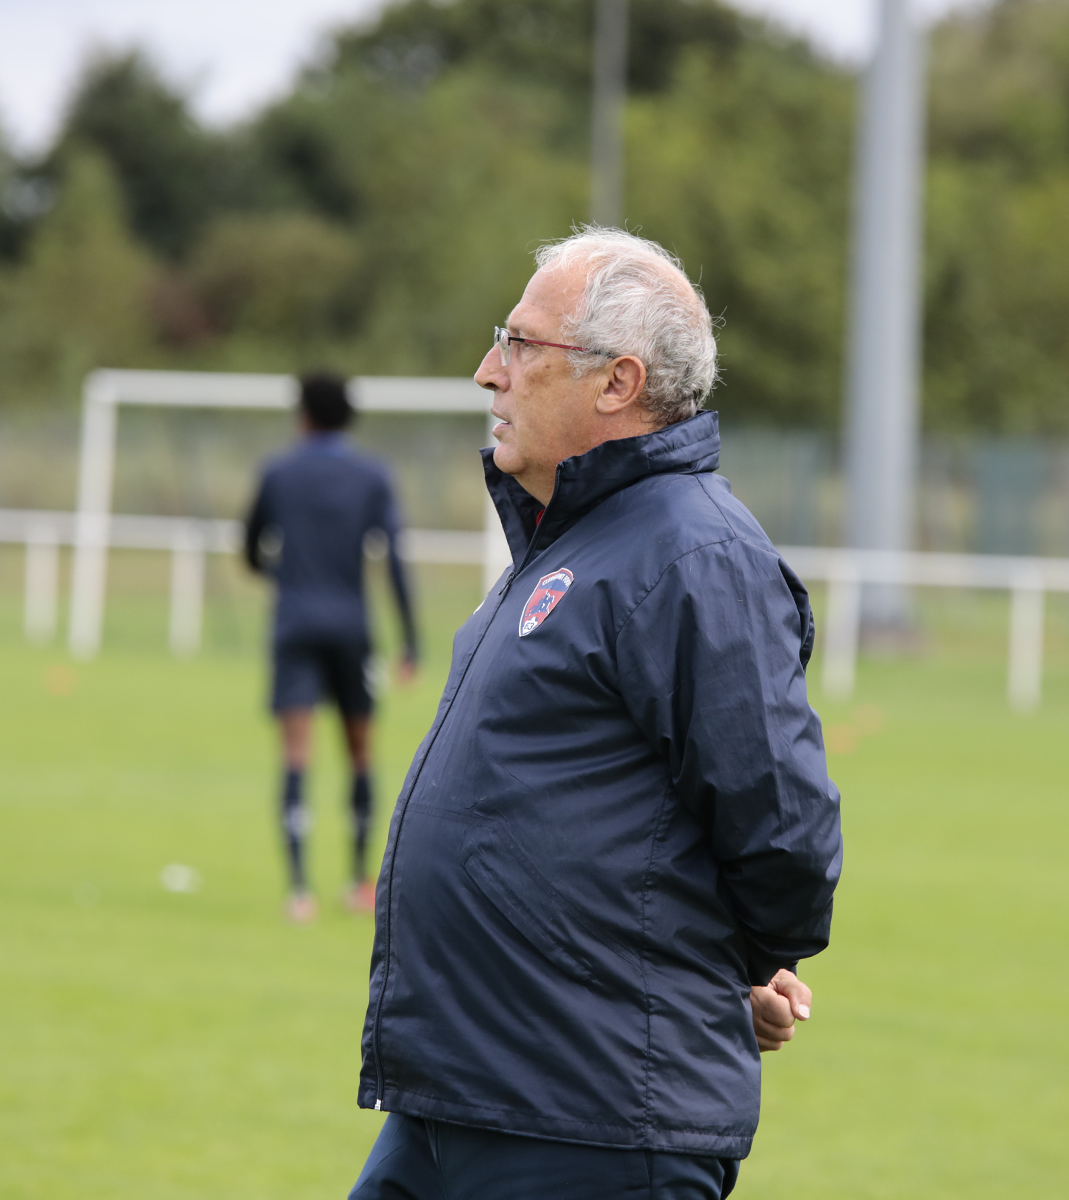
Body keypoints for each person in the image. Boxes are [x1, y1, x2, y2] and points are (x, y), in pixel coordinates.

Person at [349, 229, 842, 1199]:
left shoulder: (692, 557)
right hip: (465, 1100)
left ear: (616, 383)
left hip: (590, 1122)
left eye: (521, 344)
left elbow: (783, 835)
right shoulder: (572, 543)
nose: (489, 372)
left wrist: (719, 967)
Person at [243, 374, 418, 923]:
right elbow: (392, 558)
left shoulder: (278, 471)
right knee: (360, 751)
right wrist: (410, 638)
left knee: (297, 752)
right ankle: (358, 881)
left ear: (304, 417)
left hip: (293, 624)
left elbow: (250, 548)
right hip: (351, 627)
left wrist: (287, 576)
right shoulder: (371, 475)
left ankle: (298, 890)